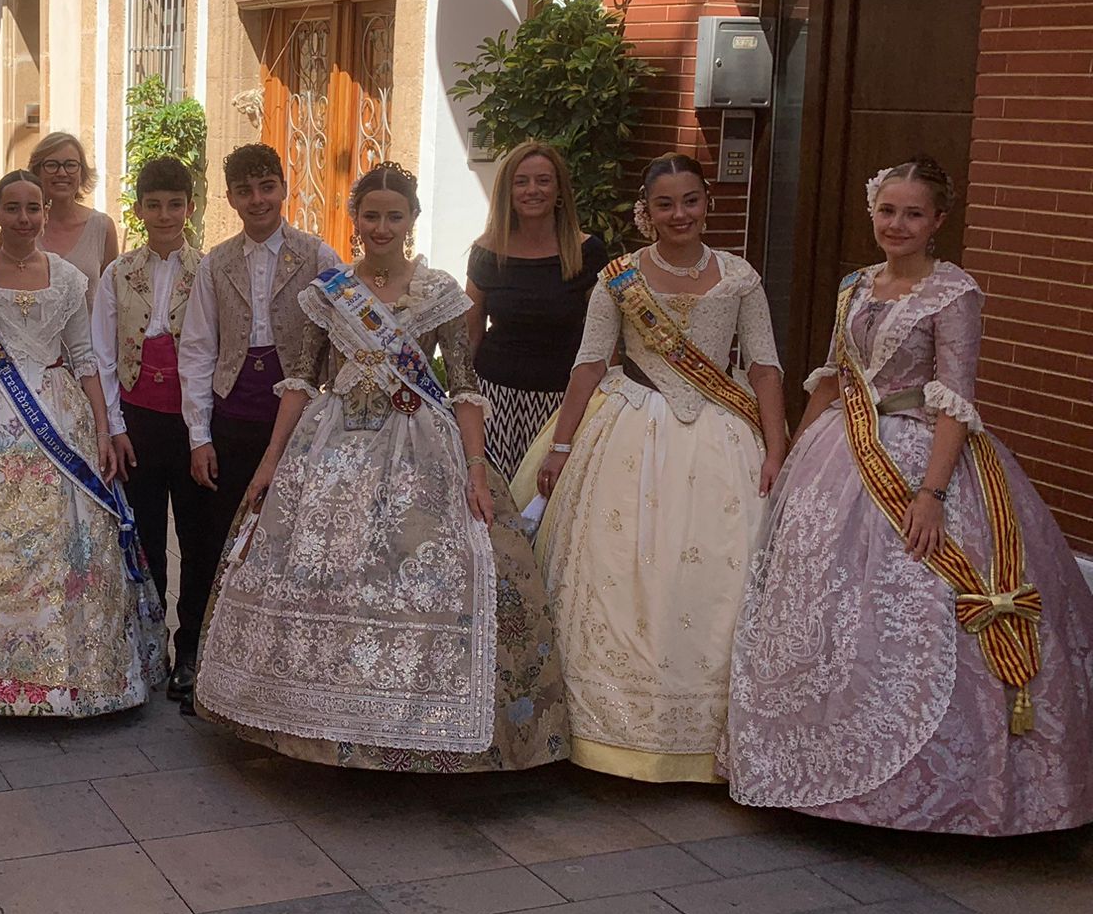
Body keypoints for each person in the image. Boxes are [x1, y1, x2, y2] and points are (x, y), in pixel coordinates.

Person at [728, 158, 1093, 834]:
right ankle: (809, 767)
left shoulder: (954, 295)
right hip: (840, 452)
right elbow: (837, 377)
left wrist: (932, 494)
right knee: (821, 614)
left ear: (938, 223)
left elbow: (956, 401)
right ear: (873, 213)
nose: (897, 225)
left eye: (913, 214)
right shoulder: (855, 286)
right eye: (888, 211)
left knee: (911, 610)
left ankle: (931, 791)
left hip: (923, 453)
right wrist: (797, 454)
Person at [194, 164, 569, 771]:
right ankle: (314, 719)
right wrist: (269, 463)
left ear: (413, 221)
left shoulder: (442, 292)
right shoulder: (327, 292)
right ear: (355, 220)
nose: (382, 227)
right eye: (371, 216)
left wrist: (476, 471)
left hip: (421, 449)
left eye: (394, 216)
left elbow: (465, 387)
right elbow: (299, 384)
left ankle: (419, 723)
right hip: (331, 452)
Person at [534, 153, 789, 783]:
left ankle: (712, 741)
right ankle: (611, 733)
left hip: (723, 434)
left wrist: (778, 445)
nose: (681, 214)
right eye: (667, 204)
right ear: (646, 213)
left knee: (717, 570)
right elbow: (589, 364)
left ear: (708, 202)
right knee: (621, 567)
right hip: (630, 426)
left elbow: (763, 365)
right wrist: (561, 447)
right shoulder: (619, 278)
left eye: (692, 200)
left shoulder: (738, 277)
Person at [0, 171, 165, 717]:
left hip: (56, 410)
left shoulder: (69, 278)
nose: (24, 219)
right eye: (13, 208)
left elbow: (86, 358)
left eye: (33, 209)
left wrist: (101, 430)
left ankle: (71, 677)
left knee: (61, 542)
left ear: (45, 213)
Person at [174, 144, 340, 704]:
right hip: (232, 414)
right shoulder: (215, 263)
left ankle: (287, 665)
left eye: (266, 186)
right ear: (229, 198)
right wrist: (199, 435)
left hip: (301, 421)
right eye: (245, 191)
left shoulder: (319, 257)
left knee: (292, 541)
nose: (257, 199)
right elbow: (197, 350)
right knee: (212, 539)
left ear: (284, 187)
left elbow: (345, 340)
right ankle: (195, 652)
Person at [93, 157, 210, 633]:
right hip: (137, 420)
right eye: (155, 205)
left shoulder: (208, 271)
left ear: (191, 208)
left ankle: (190, 647)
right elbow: (103, 353)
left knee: (196, 534)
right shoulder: (118, 273)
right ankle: (148, 638)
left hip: (189, 423)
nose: (165, 215)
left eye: (175, 205)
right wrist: (116, 426)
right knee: (143, 533)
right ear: (139, 209)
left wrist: (204, 431)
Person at [465, 141, 610, 482]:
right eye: (522, 181)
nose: (533, 190)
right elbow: (470, 337)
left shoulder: (587, 252)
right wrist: (459, 403)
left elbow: (605, 341)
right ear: (508, 191)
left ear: (559, 189)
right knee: (498, 509)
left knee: (546, 510)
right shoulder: (486, 252)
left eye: (543, 180)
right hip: (495, 402)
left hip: (561, 405)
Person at [31, 131, 119, 301]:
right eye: (51, 165)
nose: (62, 173)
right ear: (37, 171)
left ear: (82, 172)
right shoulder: (23, 226)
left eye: (70, 165)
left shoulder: (102, 228)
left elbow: (113, 298)